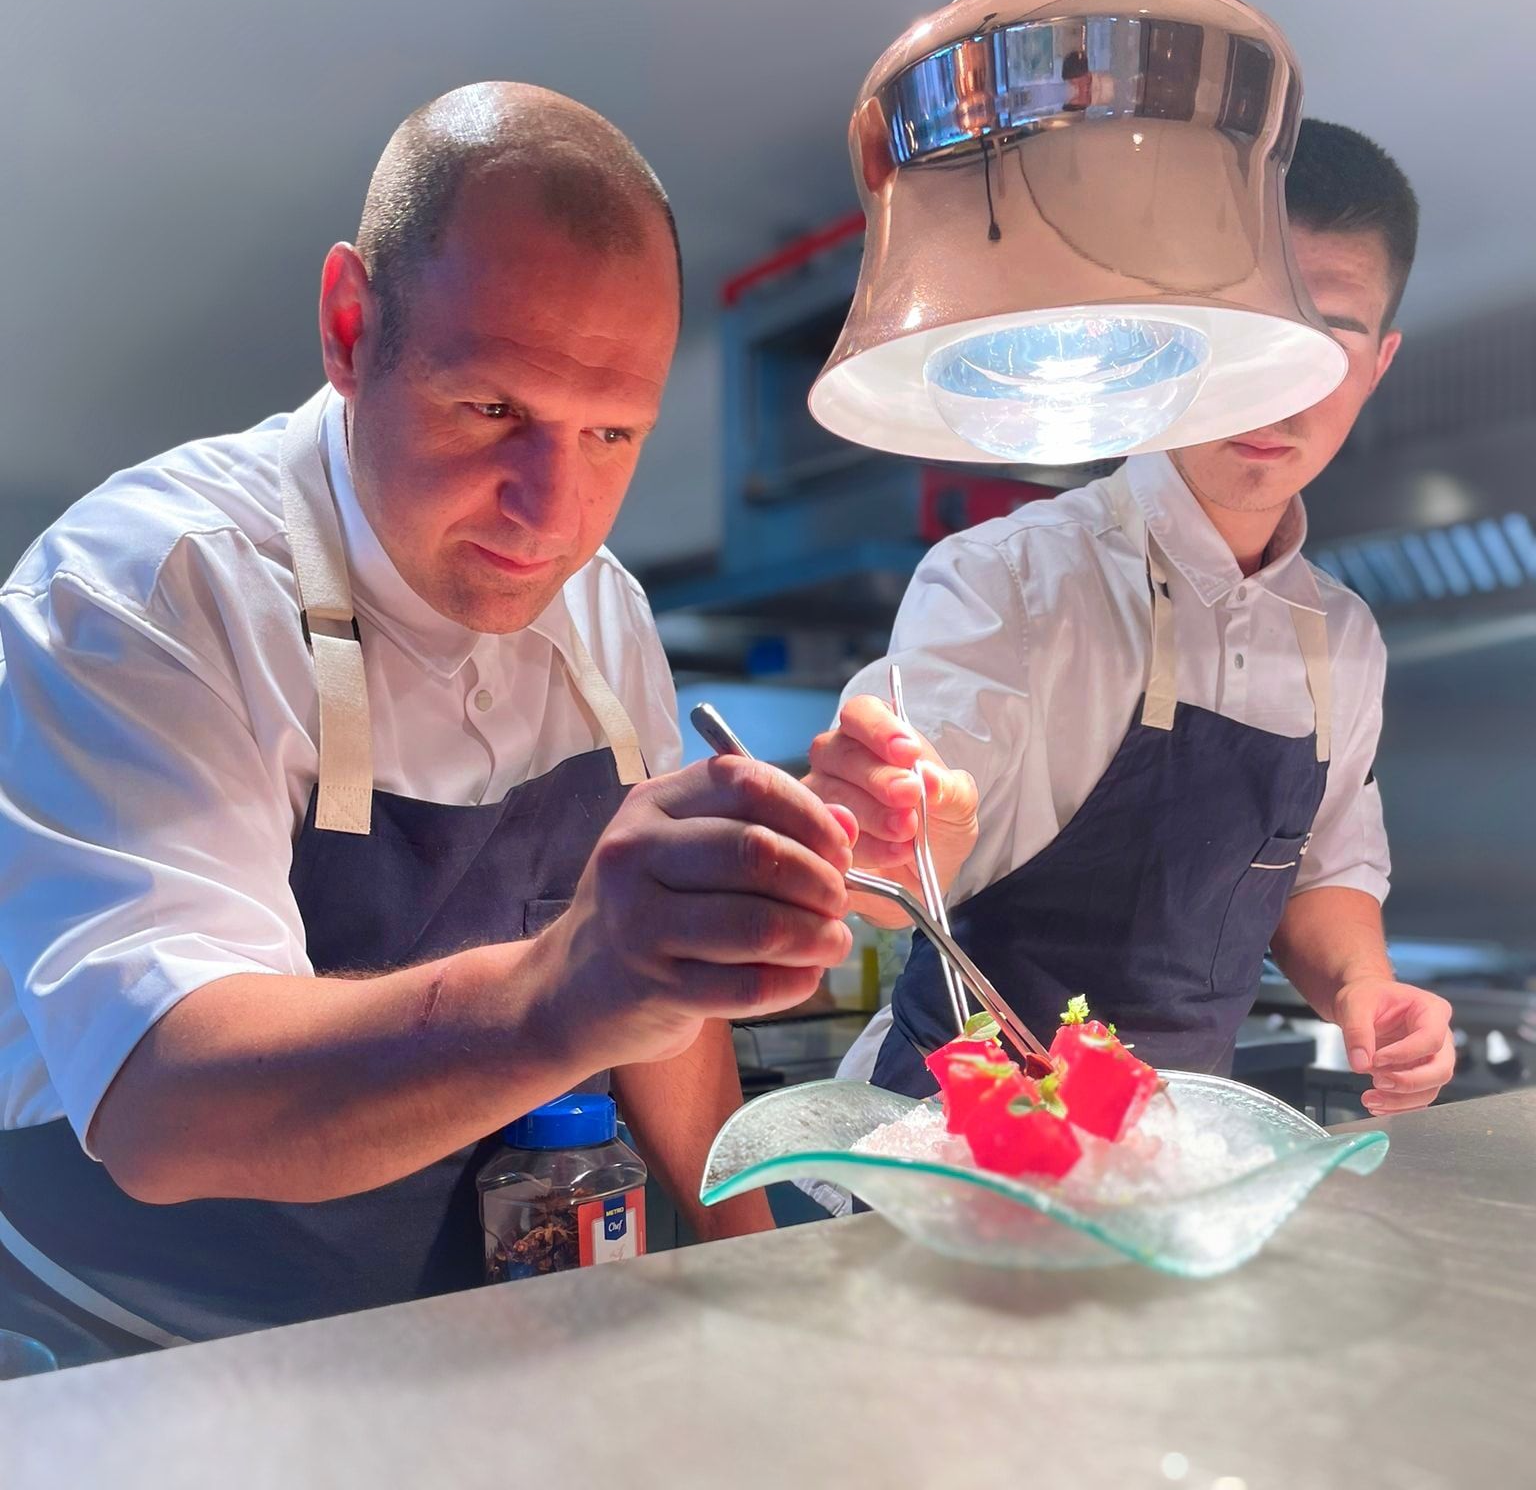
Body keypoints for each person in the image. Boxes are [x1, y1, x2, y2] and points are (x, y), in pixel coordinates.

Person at [0, 83, 857, 1363]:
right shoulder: (141, 589)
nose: (549, 517)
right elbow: (165, 1105)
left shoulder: (603, 609)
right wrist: (567, 988)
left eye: (613, 433)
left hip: (458, 1334)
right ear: (351, 327)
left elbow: (663, 1009)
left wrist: (768, 1280)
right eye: (492, 409)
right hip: (141, 1352)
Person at [807, 120, 1455, 1115]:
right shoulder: (1008, 579)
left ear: (1380, 363)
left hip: (1179, 1163)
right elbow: (904, 844)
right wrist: (884, 832)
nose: (1278, 387)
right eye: (1250, 327)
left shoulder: (1344, 640)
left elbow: (1329, 866)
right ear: (1177, 324)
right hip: (952, 1147)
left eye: (1327, 338)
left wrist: (1366, 990)